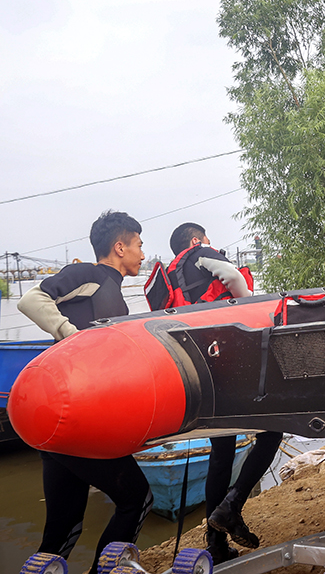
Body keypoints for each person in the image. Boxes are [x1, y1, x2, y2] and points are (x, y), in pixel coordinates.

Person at [17, 211, 152, 574]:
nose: (143, 253)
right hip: (80, 420)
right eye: (139, 245)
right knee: (137, 498)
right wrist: (74, 338)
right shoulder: (90, 275)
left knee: (63, 533)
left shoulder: (115, 298)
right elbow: (31, 300)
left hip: (60, 425)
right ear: (119, 247)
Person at [163, 223, 276, 565]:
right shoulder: (201, 253)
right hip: (225, 358)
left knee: (222, 450)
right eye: (206, 239)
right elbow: (231, 276)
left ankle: (214, 542)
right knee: (272, 431)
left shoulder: (170, 274)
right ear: (196, 241)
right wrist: (250, 313)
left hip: (198, 370)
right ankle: (232, 505)